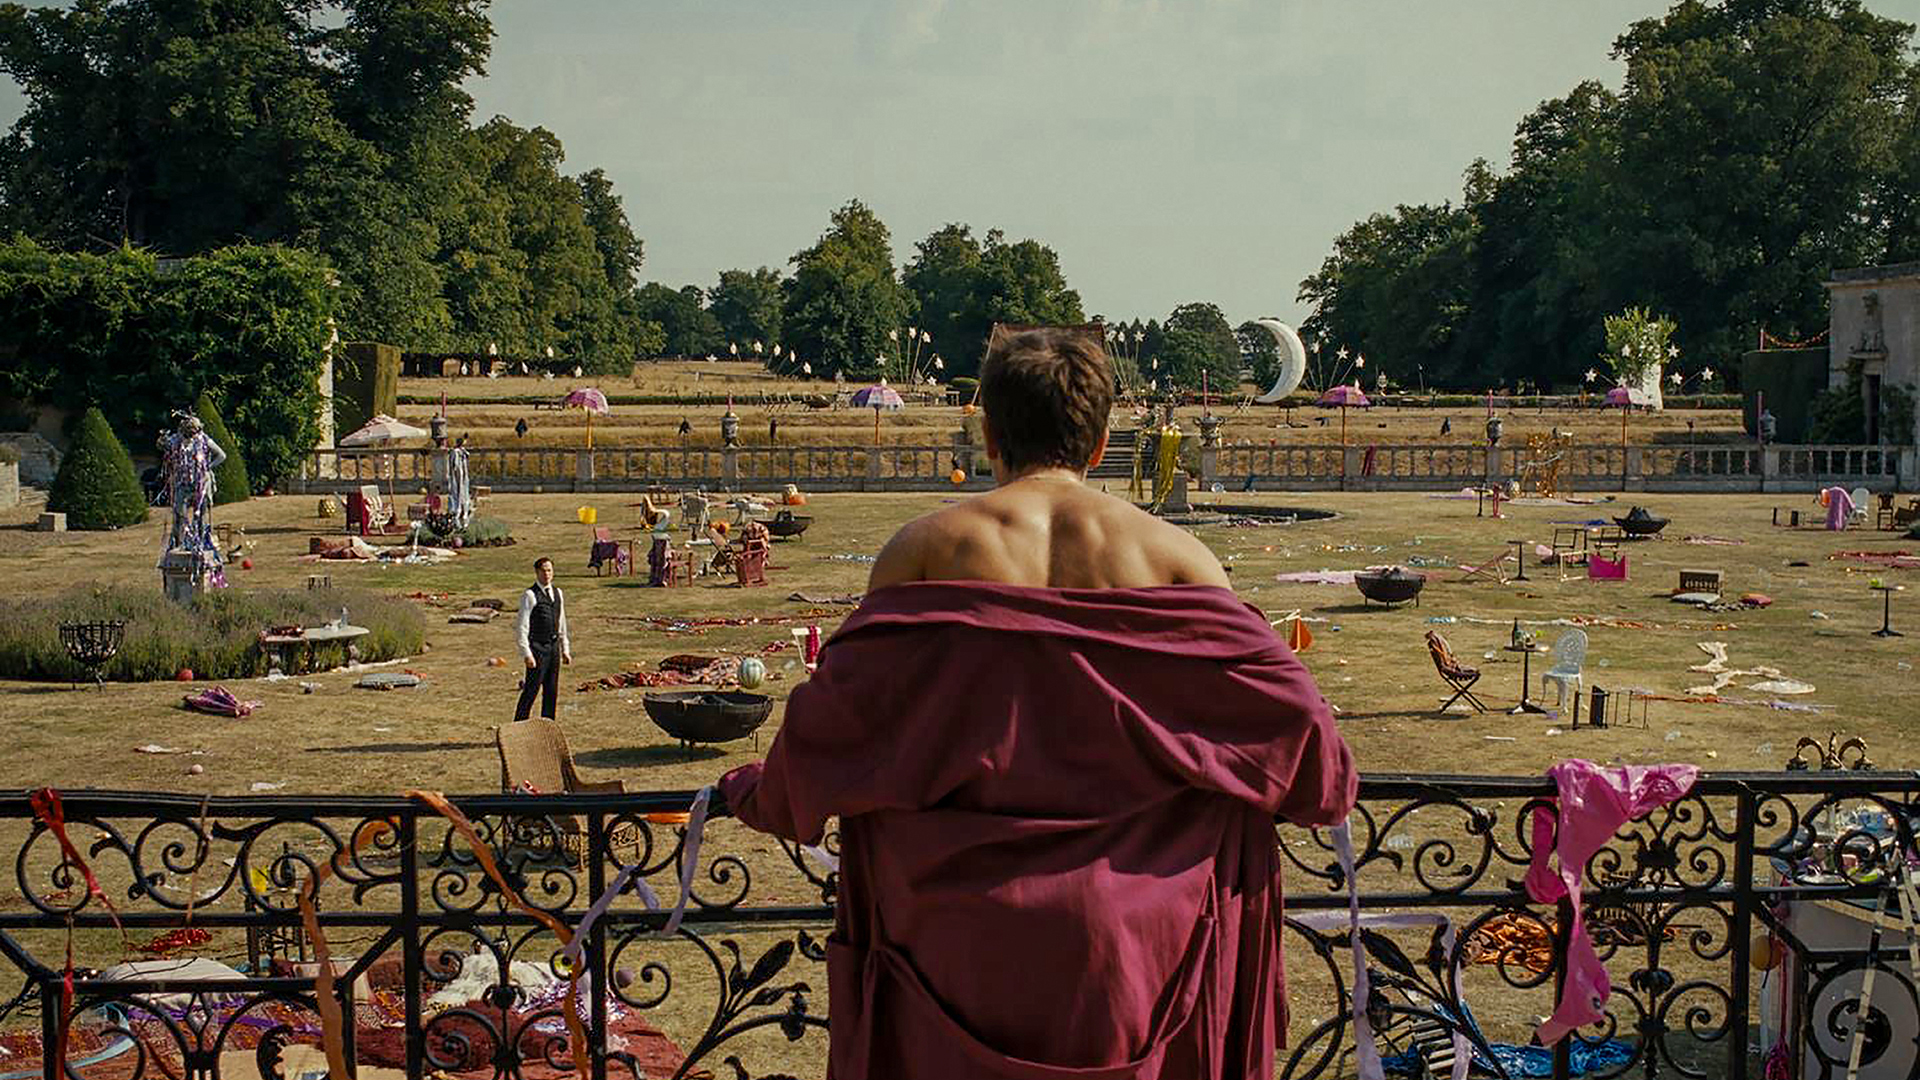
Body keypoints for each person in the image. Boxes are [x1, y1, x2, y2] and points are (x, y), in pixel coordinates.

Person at [718, 325, 1357, 1078]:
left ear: (987, 430)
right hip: (1142, 956)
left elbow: (836, 733)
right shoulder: (1179, 559)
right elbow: (1313, 763)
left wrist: (749, 793)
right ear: (1099, 442)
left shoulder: (923, 551)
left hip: (949, 949)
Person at [512, 557, 571, 721]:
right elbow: (522, 626)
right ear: (537, 572)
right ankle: (519, 726)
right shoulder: (530, 595)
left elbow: (561, 622)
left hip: (553, 648)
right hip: (537, 648)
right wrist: (527, 653)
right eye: (543, 570)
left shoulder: (558, 593)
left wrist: (565, 649)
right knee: (531, 689)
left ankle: (548, 726)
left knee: (551, 690)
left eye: (549, 570)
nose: (547, 574)